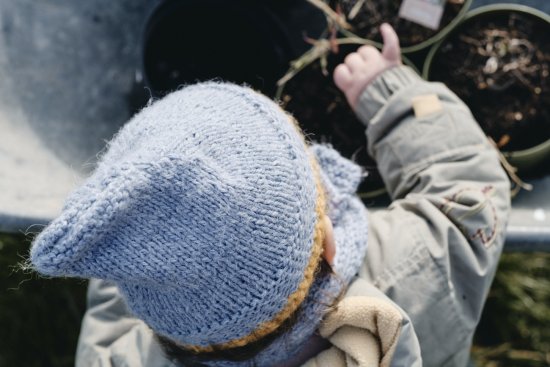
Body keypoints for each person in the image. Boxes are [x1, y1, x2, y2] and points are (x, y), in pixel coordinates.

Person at [30, 24, 510, 367]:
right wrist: (391, 95)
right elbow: (465, 184)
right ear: (326, 241)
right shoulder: (422, 262)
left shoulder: (114, 359)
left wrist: (133, 225)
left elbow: (113, 316)